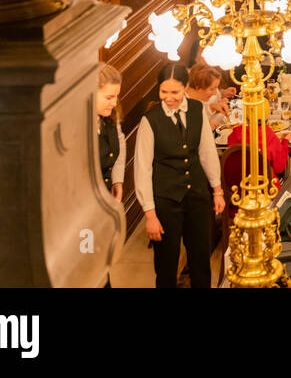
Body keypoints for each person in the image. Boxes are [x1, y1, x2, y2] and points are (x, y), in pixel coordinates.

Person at [134, 62, 224, 288]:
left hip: (197, 197)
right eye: (164, 91)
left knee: (200, 262)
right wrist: (150, 214)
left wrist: (217, 190)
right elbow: (142, 169)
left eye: (174, 91)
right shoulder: (150, 120)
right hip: (166, 201)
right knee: (166, 265)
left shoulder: (197, 110)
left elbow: (207, 152)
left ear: (185, 87)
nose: (168, 97)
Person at [96, 64, 125, 201]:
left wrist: (117, 180)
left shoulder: (111, 115)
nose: (114, 103)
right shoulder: (74, 128)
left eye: (116, 97)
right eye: (109, 97)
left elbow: (120, 141)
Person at [186, 63, 229, 131]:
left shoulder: (197, 102)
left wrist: (212, 107)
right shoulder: (180, 104)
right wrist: (202, 126)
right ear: (198, 87)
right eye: (212, 89)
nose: (215, 93)